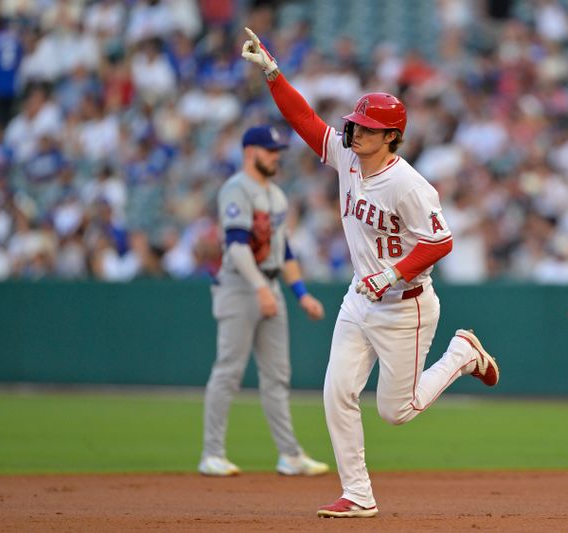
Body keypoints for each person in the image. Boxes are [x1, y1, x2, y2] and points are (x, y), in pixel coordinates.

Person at [241, 28, 500, 518]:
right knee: (336, 392)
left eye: (364, 127)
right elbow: (305, 120)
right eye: (355, 124)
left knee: (394, 412)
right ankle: (358, 494)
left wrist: (392, 274)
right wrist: (273, 72)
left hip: (407, 306)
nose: (353, 131)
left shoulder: (409, 185)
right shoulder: (346, 157)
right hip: (359, 301)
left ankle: (462, 354)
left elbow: (441, 241)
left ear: (390, 137)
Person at [199, 124, 329, 478]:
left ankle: (289, 454)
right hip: (240, 285)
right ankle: (211, 453)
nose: (275, 156)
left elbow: (284, 250)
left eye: (277, 151)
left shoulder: (277, 195)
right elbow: (237, 247)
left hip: (268, 284)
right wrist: (259, 288)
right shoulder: (236, 190)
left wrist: (301, 293)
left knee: (277, 376)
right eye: (269, 150)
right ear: (249, 152)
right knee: (229, 370)